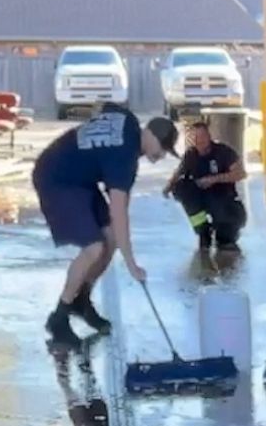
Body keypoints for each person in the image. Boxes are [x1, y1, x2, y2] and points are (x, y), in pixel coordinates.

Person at [33, 105, 179, 346]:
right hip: (56, 178)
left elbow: (103, 106)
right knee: (94, 248)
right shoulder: (125, 158)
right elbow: (119, 211)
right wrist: (132, 265)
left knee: (110, 238)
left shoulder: (128, 120)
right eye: (162, 149)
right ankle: (59, 317)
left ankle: (82, 300)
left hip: (80, 177)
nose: (162, 156)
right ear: (151, 135)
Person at [163, 122, 247, 251]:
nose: (200, 141)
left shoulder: (223, 152)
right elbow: (179, 172)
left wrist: (214, 179)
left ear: (209, 136)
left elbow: (241, 174)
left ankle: (225, 234)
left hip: (224, 199)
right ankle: (203, 231)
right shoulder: (190, 155)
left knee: (225, 241)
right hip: (202, 198)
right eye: (196, 137)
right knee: (181, 187)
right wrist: (168, 187)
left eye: (202, 136)